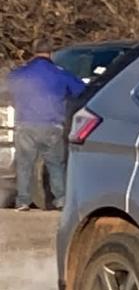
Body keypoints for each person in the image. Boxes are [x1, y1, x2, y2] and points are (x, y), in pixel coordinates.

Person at [6, 40, 85, 211]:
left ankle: (23, 201)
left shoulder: (20, 74)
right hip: (52, 125)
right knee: (55, 164)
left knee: (24, 164)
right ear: (51, 53)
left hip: (25, 124)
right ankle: (61, 200)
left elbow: (7, 88)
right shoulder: (60, 73)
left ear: (34, 52)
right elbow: (81, 91)